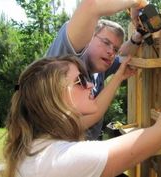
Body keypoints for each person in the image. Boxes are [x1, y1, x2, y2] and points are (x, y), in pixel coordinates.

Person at [4, 32, 161, 177]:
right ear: (54, 98)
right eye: (80, 81)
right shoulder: (65, 160)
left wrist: (119, 73)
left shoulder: (35, 142)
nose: (91, 85)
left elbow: (98, 108)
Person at [45, 0, 148, 140]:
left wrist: (137, 36)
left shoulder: (100, 67)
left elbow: (124, 56)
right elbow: (91, 4)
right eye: (106, 42)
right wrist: (137, 3)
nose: (111, 52)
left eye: (115, 49)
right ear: (89, 37)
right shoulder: (66, 56)